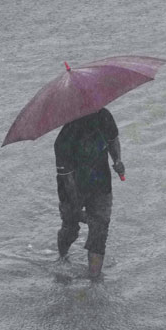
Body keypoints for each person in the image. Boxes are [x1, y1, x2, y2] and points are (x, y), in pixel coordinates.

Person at [54, 107, 124, 278]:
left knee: (100, 231)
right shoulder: (64, 139)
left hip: (101, 184)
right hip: (72, 190)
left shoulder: (104, 117)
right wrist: (77, 209)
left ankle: (95, 281)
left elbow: (113, 140)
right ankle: (62, 256)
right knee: (70, 230)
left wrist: (117, 160)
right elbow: (68, 179)